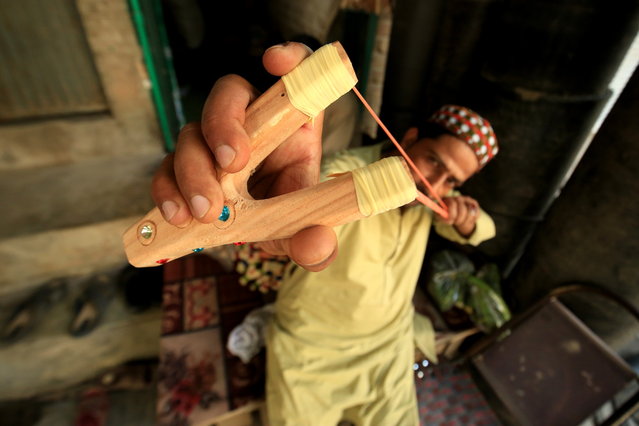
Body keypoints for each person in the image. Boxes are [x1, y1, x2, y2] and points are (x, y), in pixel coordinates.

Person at [151, 42, 498, 425]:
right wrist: (251, 174)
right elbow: (310, 192)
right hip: (312, 347)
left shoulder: (438, 205)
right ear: (411, 139)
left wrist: (467, 221)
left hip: (387, 347)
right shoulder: (346, 174)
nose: (435, 183)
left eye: (452, 180)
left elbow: (485, 229)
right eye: (434, 162)